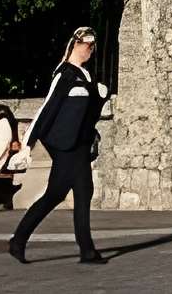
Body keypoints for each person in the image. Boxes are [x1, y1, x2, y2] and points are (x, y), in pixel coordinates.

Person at [7, 28, 108, 265]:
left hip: (80, 145)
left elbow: (87, 112)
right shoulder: (64, 74)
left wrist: (99, 96)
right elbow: (47, 109)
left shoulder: (85, 75)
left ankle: (86, 250)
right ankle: (19, 240)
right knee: (56, 194)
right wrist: (27, 145)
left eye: (93, 47)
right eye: (88, 46)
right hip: (65, 146)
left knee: (81, 192)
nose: (91, 51)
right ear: (76, 44)